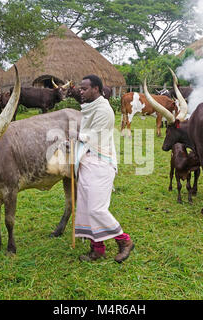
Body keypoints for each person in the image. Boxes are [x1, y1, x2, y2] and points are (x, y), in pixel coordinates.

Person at [74, 74, 134, 263]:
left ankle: (124, 241)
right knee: (84, 207)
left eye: (84, 89)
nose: (80, 92)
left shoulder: (104, 110)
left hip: (101, 162)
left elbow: (95, 136)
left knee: (96, 209)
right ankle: (97, 248)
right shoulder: (90, 107)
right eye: (80, 88)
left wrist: (75, 135)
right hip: (86, 160)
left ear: (96, 89)